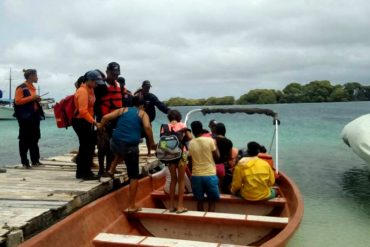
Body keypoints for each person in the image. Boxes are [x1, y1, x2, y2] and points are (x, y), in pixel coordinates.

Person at [99, 96, 156, 213]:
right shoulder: (142, 114)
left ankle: (111, 170)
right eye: (144, 106)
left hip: (114, 142)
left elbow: (105, 117)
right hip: (130, 146)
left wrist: (101, 127)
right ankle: (131, 206)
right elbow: (147, 127)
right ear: (141, 106)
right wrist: (152, 142)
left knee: (121, 152)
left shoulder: (122, 110)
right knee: (134, 176)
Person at [160, 109, 192, 213]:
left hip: (169, 156)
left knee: (173, 179)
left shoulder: (164, 126)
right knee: (181, 180)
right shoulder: (182, 125)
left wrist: (170, 150)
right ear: (179, 117)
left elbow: (162, 143)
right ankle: (180, 206)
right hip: (182, 154)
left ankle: (171, 206)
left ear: (169, 118)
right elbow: (190, 138)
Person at [72, 70, 102, 180]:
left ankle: (81, 172)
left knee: (87, 147)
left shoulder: (91, 89)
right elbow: (83, 111)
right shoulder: (82, 91)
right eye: (95, 82)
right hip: (80, 121)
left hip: (87, 121)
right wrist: (95, 122)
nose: (96, 84)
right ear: (89, 80)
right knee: (87, 147)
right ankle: (85, 173)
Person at [94, 62, 123, 176]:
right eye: (113, 74)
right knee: (102, 146)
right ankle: (101, 171)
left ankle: (110, 169)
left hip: (116, 121)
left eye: (116, 74)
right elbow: (96, 105)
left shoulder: (118, 85)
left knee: (113, 147)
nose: (115, 76)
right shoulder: (101, 86)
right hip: (104, 120)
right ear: (107, 72)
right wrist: (101, 120)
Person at [14, 69, 45, 168]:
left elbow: (30, 100)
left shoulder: (32, 87)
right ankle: (25, 162)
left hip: (34, 115)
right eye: (36, 75)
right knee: (24, 139)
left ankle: (35, 160)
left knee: (35, 137)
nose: (37, 77)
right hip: (24, 117)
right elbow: (18, 101)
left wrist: (36, 99)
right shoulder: (21, 87)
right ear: (31, 76)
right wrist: (33, 98)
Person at [188, 121, 220, 212]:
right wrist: (215, 145)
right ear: (202, 129)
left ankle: (201, 221)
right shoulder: (210, 141)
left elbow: (190, 162)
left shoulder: (191, 143)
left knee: (199, 201)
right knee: (212, 201)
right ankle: (210, 219)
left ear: (192, 131)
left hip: (196, 175)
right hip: (210, 174)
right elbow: (217, 157)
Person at [135, 80, 170, 154]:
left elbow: (160, 105)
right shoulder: (137, 96)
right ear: (142, 87)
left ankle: (149, 153)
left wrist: (169, 111)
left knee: (148, 137)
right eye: (146, 87)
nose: (147, 89)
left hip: (148, 121)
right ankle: (135, 152)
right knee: (136, 137)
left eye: (148, 87)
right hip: (137, 121)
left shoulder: (152, 97)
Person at [214, 123, 233, 193]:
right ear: (224, 131)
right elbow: (230, 157)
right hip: (223, 166)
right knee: (219, 187)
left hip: (212, 165)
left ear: (215, 131)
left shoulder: (213, 141)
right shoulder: (229, 142)